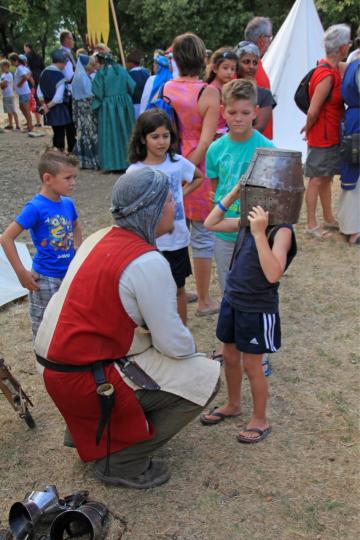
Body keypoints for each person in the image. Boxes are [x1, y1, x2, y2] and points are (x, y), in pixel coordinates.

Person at [33, 167, 220, 489]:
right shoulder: (148, 262)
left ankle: (89, 434)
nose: (175, 206)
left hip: (56, 367)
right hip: (82, 379)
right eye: (168, 201)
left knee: (145, 353)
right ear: (151, 211)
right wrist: (199, 355)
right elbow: (174, 344)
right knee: (204, 376)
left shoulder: (99, 236)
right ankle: (122, 460)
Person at [200, 179, 297, 442]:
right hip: (233, 301)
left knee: (253, 365)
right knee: (230, 356)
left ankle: (260, 419)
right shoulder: (247, 220)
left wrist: (258, 233)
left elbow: (273, 273)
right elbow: (211, 223)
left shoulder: (281, 231)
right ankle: (233, 404)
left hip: (257, 308)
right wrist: (232, 194)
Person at [127, 109, 203, 324]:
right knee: (152, 292)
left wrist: (181, 196)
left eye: (165, 136)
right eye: (155, 137)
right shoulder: (135, 171)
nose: (161, 142)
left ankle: (181, 332)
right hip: (151, 242)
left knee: (178, 289)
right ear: (143, 139)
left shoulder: (177, 162)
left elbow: (198, 177)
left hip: (176, 240)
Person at [164, 32, 220, 316]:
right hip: (197, 168)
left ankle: (179, 291)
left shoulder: (165, 88)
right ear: (202, 58)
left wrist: (174, 172)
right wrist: (187, 173)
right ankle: (204, 300)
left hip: (167, 162)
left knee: (175, 230)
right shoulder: (208, 93)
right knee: (201, 234)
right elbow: (206, 141)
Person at [0, 150, 82, 339]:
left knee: (69, 320)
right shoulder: (35, 207)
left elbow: (75, 224)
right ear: (48, 178)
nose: (73, 182)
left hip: (69, 275)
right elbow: (6, 238)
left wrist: (78, 247)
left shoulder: (68, 203)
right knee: (45, 325)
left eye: (74, 177)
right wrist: (21, 272)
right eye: (68, 178)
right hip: (45, 279)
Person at [206, 79, 274, 295]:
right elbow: (215, 188)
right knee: (228, 283)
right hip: (224, 231)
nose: (238, 119)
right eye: (233, 112)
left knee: (255, 282)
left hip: (255, 231)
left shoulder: (267, 149)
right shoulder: (215, 150)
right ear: (223, 111)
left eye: (245, 113)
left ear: (255, 112)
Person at [301, 24, 351, 240]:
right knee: (316, 179)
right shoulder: (326, 75)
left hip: (329, 135)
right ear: (341, 47)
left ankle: (328, 217)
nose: (349, 46)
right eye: (347, 43)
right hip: (321, 135)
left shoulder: (332, 70)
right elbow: (313, 110)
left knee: (326, 177)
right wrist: (308, 128)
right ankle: (311, 224)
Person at [92, 52, 136, 171]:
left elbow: (98, 92)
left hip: (108, 107)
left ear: (101, 62)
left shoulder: (101, 73)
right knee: (125, 132)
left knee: (111, 133)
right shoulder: (122, 70)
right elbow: (132, 86)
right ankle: (128, 161)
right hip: (124, 105)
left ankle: (112, 164)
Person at [337, 58, 360, 245]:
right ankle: (353, 230)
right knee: (355, 175)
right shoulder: (357, 66)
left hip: (354, 120)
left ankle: (351, 226)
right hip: (357, 123)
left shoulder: (353, 64)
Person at [37, 49, 76, 152]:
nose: (64, 66)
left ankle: (57, 155)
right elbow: (58, 98)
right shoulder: (59, 76)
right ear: (61, 62)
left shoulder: (43, 73)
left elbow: (39, 92)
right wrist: (48, 106)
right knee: (60, 133)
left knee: (56, 131)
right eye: (65, 63)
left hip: (48, 108)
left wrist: (44, 105)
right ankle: (59, 157)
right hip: (59, 108)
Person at [235, 41, 276, 136]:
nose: (251, 67)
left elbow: (259, 127)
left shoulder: (264, 94)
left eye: (255, 63)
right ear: (237, 64)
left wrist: (232, 137)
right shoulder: (227, 90)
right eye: (246, 62)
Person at [242, 16, 273, 138]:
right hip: (255, 141)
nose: (270, 41)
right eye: (269, 37)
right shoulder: (253, 68)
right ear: (261, 40)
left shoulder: (242, 63)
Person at [72, 54, 99, 169]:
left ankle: (85, 159)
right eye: (92, 64)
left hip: (83, 109)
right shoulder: (82, 77)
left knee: (85, 133)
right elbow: (88, 95)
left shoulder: (81, 76)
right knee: (88, 133)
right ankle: (90, 160)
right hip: (86, 110)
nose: (94, 66)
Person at [205, 47, 239, 138]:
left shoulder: (228, 88)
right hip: (213, 134)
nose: (229, 72)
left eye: (232, 69)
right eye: (225, 68)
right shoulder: (211, 89)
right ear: (215, 68)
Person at [8, 52, 33, 132]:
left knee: (26, 109)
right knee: (22, 108)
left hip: (24, 92)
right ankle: (29, 124)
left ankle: (30, 127)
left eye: (11, 61)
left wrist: (19, 84)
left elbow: (26, 77)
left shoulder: (19, 68)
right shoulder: (22, 67)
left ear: (15, 60)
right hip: (23, 92)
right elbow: (29, 73)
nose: (10, 63)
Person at [24, 42, 44, 127]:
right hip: (40, 75)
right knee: (39, 95)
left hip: (32, 76)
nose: (24, 49)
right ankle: (42, 114)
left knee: (33, 97)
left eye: (24, 47)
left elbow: (27, 67)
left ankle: (37, 120)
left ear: (28, 47)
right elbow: (43, 66)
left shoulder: (27, 56)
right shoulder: (38, 55)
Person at [126, 49, 150, 118]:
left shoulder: (129, 75)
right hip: (146, 105)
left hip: (134, 105)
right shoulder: (146, 73)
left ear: (131, 63)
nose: (126, 64)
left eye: (127, 62)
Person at [0, 59, 20, 130]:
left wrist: (2, 84)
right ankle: (10, 124)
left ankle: (17, 125)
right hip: (5, 95)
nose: (1, 68)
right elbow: (2, 85)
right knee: (9, 111)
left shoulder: (9, 74)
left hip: (9, 95)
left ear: (6, 66)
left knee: (13, 110)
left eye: (2, 66)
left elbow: (4, 83)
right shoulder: (3, 75)